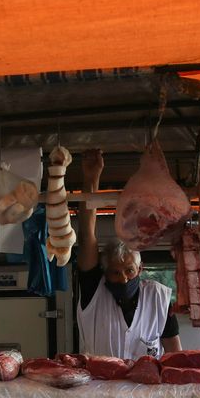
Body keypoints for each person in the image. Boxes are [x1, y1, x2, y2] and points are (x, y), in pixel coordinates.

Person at [76, 149, 182, 360]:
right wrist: (91, 178)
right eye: (115, 272)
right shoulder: (93, 292)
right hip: (99, 389)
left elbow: (175, 352)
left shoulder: (159, 298)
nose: (123, 278)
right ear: (104, 273)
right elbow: (86, 235)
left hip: (147, 391)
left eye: (129, 270)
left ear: (140, 269)